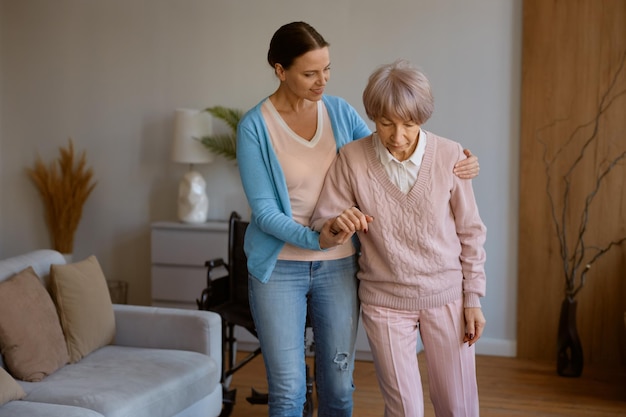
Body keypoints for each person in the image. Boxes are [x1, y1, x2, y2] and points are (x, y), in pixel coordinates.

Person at [236, 22, 480, 417]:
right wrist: (318, 237)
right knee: (287, 390)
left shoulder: (338, 111)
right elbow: (264, 212)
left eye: (327, 69)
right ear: (280, 70)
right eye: (310, 73)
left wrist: (456, 159)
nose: (323, 81)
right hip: (282, 265)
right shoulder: (255, 127)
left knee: (338, 386)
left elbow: (386, 154)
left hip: (338, 266)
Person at [311, 60, 487, 417]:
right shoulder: (352, 158)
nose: (398, 136)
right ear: (373, 116)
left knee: (458, 407)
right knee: (405, 410)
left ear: (422, 118)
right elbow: (322, 223)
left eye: (410, 123)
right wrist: (338, 223)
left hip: (446, 297)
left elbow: (471, 233)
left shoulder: (452, 156)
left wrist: (473, 299)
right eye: (386, 123)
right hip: (385, 300)